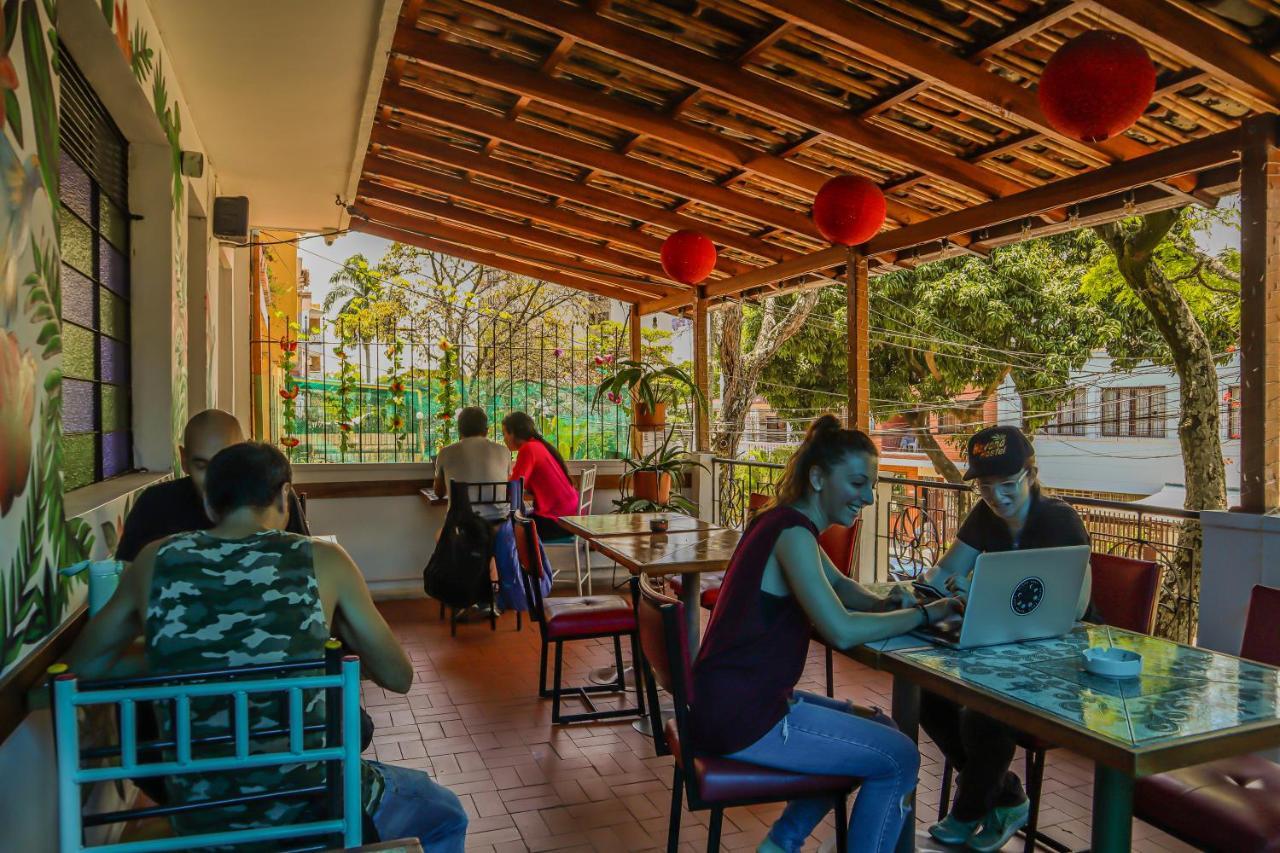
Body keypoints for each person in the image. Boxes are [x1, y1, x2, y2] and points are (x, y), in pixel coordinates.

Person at [67, 442, 468, 851]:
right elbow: (399, 677)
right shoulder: (323, 560)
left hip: (204, 814)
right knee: (447, 815)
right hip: (316, 806)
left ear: (209, 503)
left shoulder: (156, 560)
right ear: (284, 497)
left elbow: (83, 665)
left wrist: (181, 656)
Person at [690, 415, 961, 853]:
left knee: (880, 726)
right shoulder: (792, 535)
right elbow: (841, 629)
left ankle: (782, 845)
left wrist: (894, 600)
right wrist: (926, 617)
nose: (869, 497)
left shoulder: (781, 522)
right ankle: (789, 841)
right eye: (858, 483)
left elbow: (842, 588)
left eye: (871, 485)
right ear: (818, 477)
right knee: (900, 757)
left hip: (728, 700)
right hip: (744, 716)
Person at [918, 425, 1092, 852]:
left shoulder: (1059, 519)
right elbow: (943, 572)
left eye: (1006, 484)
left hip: (1061, 657)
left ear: (1030, 475)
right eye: (986, 486)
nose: (996, 496)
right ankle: (1007, 795)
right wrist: (923, 590)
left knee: (984, 712)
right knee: (929, 696)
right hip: (1002, 649)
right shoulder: (984, 516)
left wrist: (978, 591)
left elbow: (1078, 607)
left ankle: (969, 809)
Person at [115, 409, 308, 562]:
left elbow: (305, 567)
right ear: (184, 460)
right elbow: (125, 577)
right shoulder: (154, 504)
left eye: (227, 463)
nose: (216, 478)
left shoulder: (274, 498)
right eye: (202, 466)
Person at [434, 406, 526, 614]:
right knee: (485, 543)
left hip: (464, 526)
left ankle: (462, 595)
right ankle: (487, 597)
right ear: (486, 430)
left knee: (443, 536)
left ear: (460, 430)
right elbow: (507, 483)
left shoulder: (446, 453)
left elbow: (438, 492)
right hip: (499, 526)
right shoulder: (503, 452)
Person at [502, 411, 578, 542]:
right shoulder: (538, 445)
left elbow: (515, 486)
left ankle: (526, 563)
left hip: (557, 522)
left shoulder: (528, 449)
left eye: (505, 433)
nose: (504, 438)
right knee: (514, 523)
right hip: (569, 518)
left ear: (513, 433)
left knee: (505, 530)